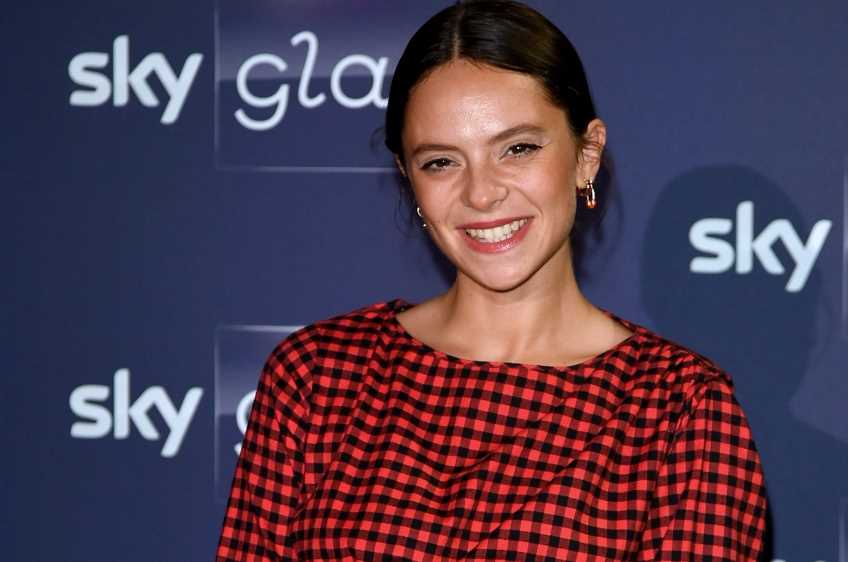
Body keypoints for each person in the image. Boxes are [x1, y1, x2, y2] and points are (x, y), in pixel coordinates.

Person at [216, 1, 767, 560]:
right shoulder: (319, 376)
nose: (481, 194)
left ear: (586, 155)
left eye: (517, 148)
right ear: (409, 178)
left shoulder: (678, 409)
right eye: (441, 162)